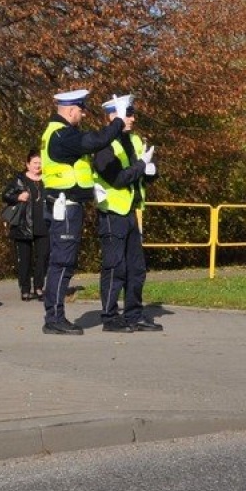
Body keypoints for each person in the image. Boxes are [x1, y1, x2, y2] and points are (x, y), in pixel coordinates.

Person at [38, 89, 128, 336]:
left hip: (68, 204)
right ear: (69, 110)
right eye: (81, 109)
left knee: (64, 261)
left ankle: (55, 315)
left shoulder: (60, 133)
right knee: (62, 261)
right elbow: (96, 141)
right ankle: (54, 318)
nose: (83, 114)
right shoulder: (61, 134)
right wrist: (118, 121)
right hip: (64, 206)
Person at [91, 95, 160, 332]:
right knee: (115, 266)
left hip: (130, 210)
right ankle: (110, 317)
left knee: (136, 267)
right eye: (127, 114)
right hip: (112, 212)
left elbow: (143, 173)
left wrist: (151, 170)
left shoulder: (134, 140)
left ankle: (134, 314)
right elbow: (118, 179)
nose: (132, 118)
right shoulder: (104, 145)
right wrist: (141, 167)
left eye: (132, 114)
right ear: (112, 116)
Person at [1, 152, 49, 301]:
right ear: (28, 164)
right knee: (25, 259)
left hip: (44, 224)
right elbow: (5, 195)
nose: (38, 165)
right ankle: (25, 289)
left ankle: (39, 287)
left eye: (40, 162)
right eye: (35, 163)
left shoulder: (48, 179)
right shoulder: (20, 179)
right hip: (23, 225)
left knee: (43, 257)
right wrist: (18, 196)